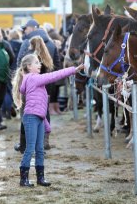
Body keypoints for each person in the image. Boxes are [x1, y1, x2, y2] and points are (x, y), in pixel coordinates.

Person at [12, 54, 84, 187]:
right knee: (30, 148)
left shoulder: (34, 81)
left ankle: (40, 178)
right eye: (36, 63)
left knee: (40, 149)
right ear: (29, 67)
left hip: (38, 118)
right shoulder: (34, 79)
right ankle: (23, 179)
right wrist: (73, 70)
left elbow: (40, 107)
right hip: (31, 118)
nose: (40, 65)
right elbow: (54, 76)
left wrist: (45, 123)